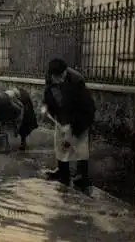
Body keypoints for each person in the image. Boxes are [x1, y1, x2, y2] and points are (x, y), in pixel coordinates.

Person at [41, 58, 95, 191]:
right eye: (57, 77)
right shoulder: (49, 77)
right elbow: (48, 95)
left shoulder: (77, 81)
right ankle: (63, 173)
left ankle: (82, 177)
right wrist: (46, 106)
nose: (60, 79)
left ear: (66, 72)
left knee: (80, 147)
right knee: (61, 145)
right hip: (62, 117)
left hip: (80, 116)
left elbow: (86, 108)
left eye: (62, 76)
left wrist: (72, 127)